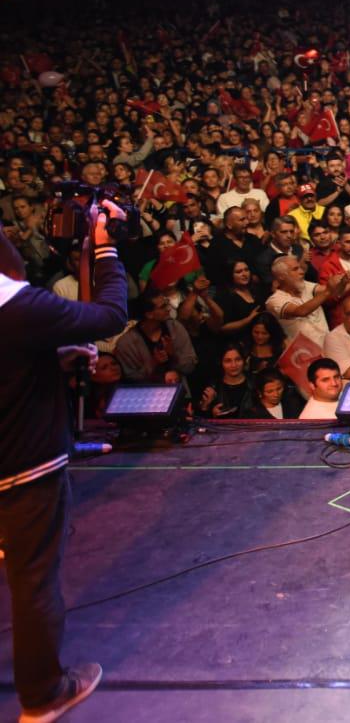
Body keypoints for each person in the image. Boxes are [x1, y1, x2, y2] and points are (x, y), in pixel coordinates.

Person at [0, 202, 129, 722]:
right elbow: (111, 315)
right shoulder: (21, 306)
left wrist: (49, 358)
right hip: (22, 466)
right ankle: (44, 695)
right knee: (32, 580)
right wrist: (104, 246)